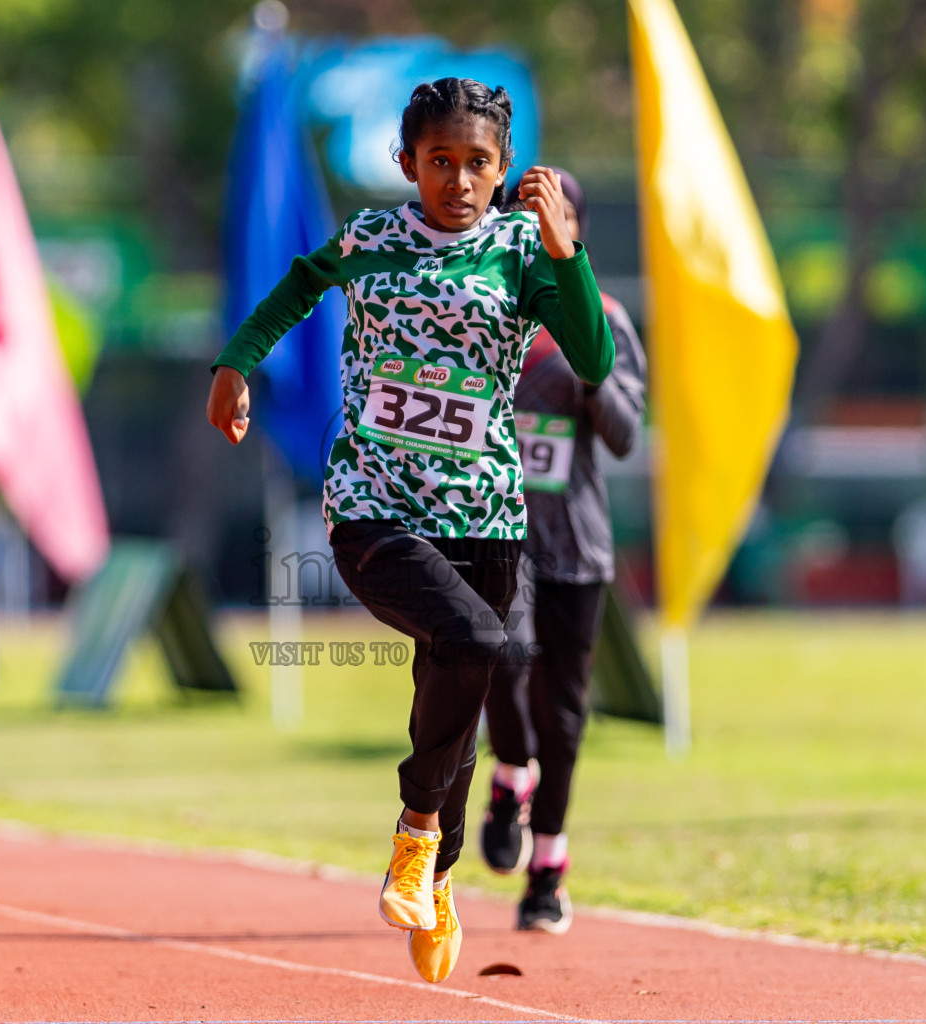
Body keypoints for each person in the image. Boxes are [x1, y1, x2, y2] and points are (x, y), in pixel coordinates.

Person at [207, 78, 613, 983]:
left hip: (487, 514)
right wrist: (238, 362)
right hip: (374, 504)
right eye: (439, 162)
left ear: (505, 170)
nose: (458, 181)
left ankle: (435, 875)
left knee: (457, 688)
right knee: (477, 641)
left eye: (477, 165)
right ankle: (418, 830)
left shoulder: (522, 252)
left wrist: (566, 250)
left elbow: (594, 358)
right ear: (407, 164)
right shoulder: (377, 238)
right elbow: (300, 285)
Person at [478, 167, 647, 934]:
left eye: (555, 213)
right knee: (500, 662)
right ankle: (510, 773)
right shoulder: (479, 306)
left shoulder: (605, 315)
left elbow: (623, 435)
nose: (539, 224)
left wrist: (590, 372)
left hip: (573, 543)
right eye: (523, 211)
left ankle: (548, 867)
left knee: (565, 712)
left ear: (573, 226)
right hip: (492, 531)